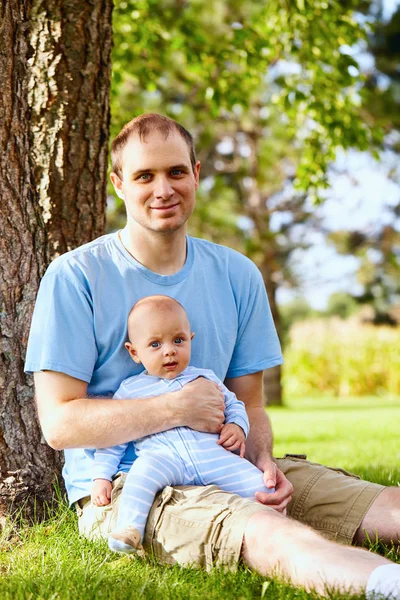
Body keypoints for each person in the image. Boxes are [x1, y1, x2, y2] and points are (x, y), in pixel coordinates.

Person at [25, 113, 400, 598]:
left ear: (196, 175)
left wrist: (264, 459)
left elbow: (253, 403)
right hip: (129, 487)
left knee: (387, 508)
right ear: (119, 184)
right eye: (144, 176)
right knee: (271, 533)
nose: (163, 189)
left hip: (231, 463)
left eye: (176, 172)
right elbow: (60, 425)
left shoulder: (237, 274)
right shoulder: (76, 276)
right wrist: (177, 408)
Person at [91, 294, 274, 554]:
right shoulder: (130, 390)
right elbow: (114, 439)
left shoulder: (204, 377)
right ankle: (130, 528)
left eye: (178, 340)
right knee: (140, 475)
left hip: (212, 453)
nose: (169, 350)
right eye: (155, 344)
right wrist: (101, 476)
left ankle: (277, 521)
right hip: (163, 458)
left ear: (190, 339)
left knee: (262, 485)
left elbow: (235, 405)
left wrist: (237, 426)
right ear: (134, 352)